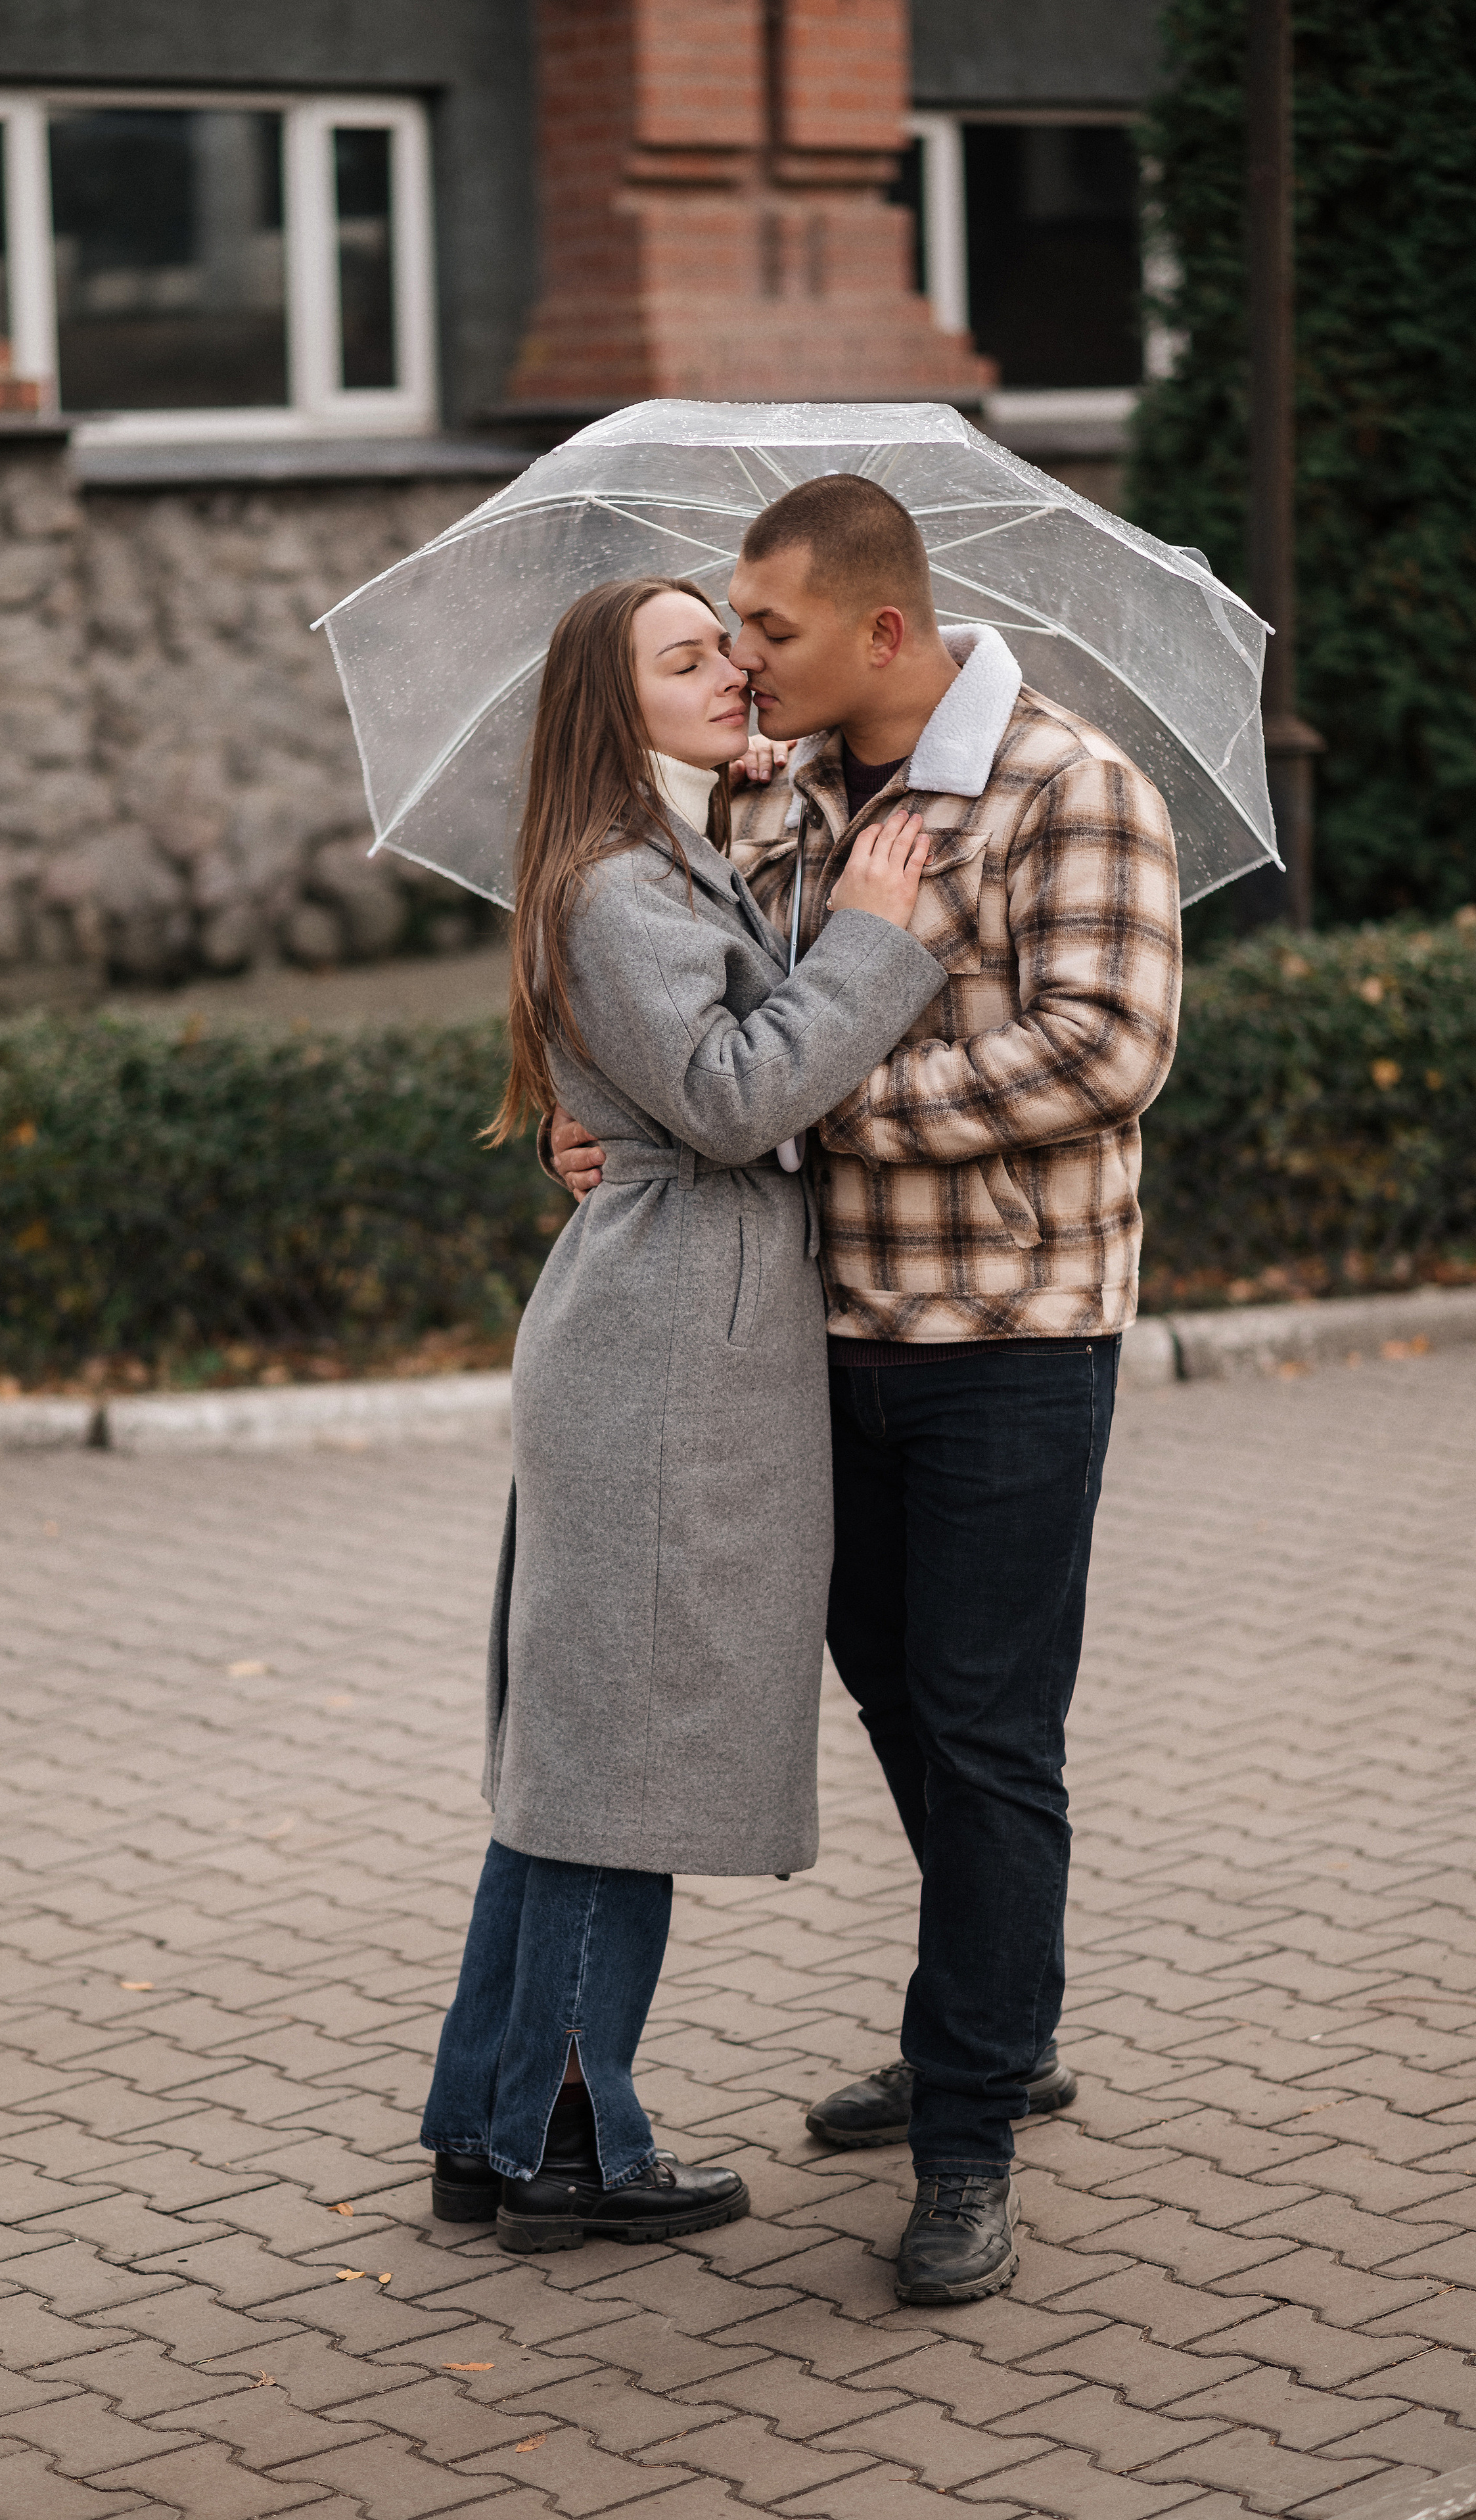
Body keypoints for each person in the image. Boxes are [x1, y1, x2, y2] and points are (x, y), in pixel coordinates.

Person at [548, 476, 1182, 2305]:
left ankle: (968, 2129)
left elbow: (1104, 1052)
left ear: (881, 631)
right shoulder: (785, 798)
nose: (742, 661)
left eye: (770, 629)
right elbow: (702, 1037)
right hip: (814, 1347)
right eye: (730, 631)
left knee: (987, 1734)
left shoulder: (1072, 786)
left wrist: (815, 1112)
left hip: (1011, 1345)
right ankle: (1000, 2012)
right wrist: (617, 1134)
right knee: (904, 1703)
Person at [421, 571, 951, 2256]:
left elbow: (667, 1081)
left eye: (725, 645)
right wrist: (874, 940)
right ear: (613, 705)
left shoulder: (650, 856)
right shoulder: (613, 882)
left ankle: (484, 2128)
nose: (729, 669)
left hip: (657, 1325)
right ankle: (571, 2148)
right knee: (618, 1768)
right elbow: (731, 1100)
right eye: (685, 658)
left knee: (577, 1754)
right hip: (661, 1355)